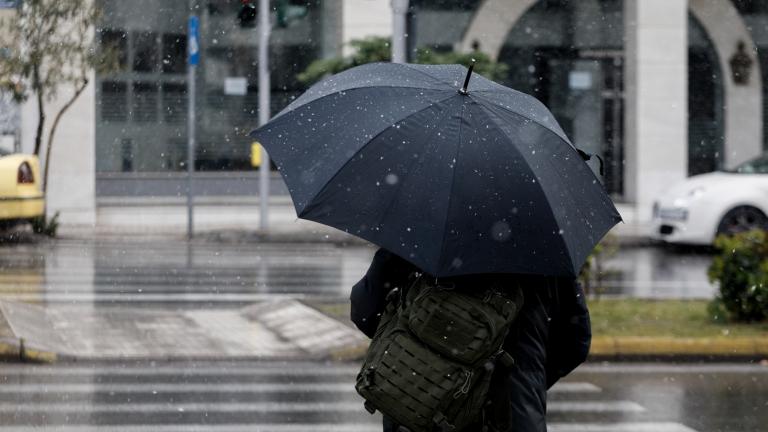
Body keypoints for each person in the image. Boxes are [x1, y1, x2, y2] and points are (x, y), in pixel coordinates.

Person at [350, 248, 591, 432]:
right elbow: (575, 344)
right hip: (513, 415)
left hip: (421, 402)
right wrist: (525, 378)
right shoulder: (545, 250)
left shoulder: (422, 231)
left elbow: (364, 311)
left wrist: (420, 348)